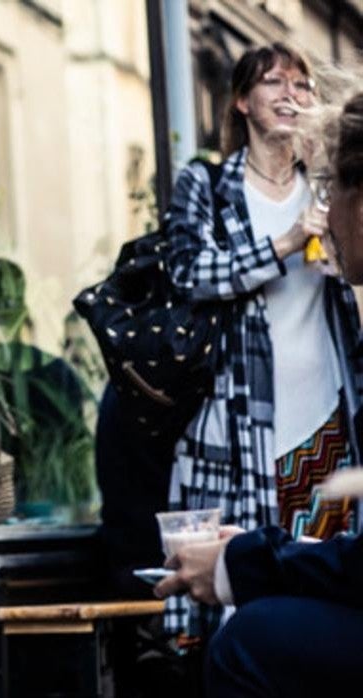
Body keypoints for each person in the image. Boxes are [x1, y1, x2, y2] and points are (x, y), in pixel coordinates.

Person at [151, 86, 363, 698]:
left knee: (251, 640)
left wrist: (243, 563)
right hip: (246, 418)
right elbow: (190, 274)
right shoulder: (209, 184)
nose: (325, 205)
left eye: (332, 187)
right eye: (275, 83)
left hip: (321, 411)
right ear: (241, 101)